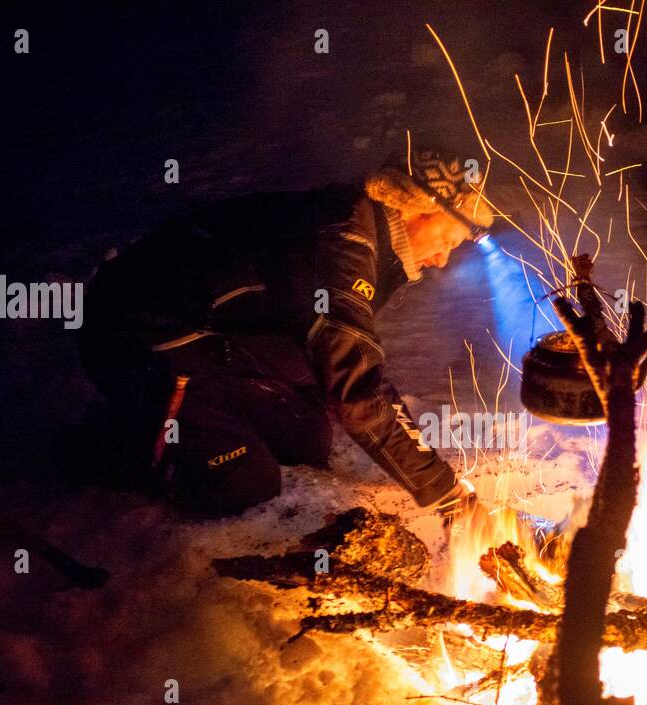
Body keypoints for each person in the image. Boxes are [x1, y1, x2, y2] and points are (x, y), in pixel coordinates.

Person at [69, 149, 493, 518]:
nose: (442, 259)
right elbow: (356, 388)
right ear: (418, 207)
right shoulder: (344, 239)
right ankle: (118, 444)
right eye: (448, 241)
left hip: (214, 338)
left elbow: (350, 359)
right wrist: (447, 496)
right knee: (242, 480)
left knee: (306, 437)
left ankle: (207, 404)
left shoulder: (365, 232)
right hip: (139, 339)